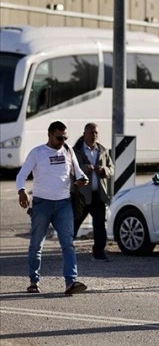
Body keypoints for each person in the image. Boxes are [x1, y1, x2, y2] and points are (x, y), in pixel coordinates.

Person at [16, 121, 89, 296]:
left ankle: (71, 281)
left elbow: (78, 172)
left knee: (68, 244)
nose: (62, 141)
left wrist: (82, 179)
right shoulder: (37, 152)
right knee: (36, 245)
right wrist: (22, 191)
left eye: (65, 138)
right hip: (42, 204)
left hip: (64, 204)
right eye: (59, 138)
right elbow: (21, 175)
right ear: (49, 135)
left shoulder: (68, 151)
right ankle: (34, 280)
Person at [72, 122, 115, 262]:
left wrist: (104, 170)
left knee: (99, 226)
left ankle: (99, 252)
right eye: (91, 133)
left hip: (99, 194)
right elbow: (70, 169)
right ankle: (67, 249)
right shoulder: (75, 151)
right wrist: (85, 169)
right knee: (74, 223)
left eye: (96, 133)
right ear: (84, 134)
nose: (94, 135)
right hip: (82, 195)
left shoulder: (102, 150)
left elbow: (111, 168)